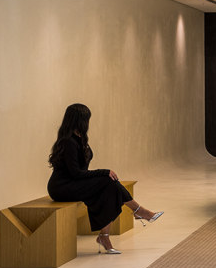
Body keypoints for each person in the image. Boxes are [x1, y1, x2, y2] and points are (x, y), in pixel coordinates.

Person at [47, 103, 163, 254]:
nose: (88, 122)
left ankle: (106, 236)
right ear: (79, 120)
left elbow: (81, 172)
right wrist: (104, 171)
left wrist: (102, 174)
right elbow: (76, 173)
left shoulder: (79, 137)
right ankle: (138, 211)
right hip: (62, 187)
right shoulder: (68, 141)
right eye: (86, 119)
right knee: (108, 181)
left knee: (109, 187)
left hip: (75, 183)